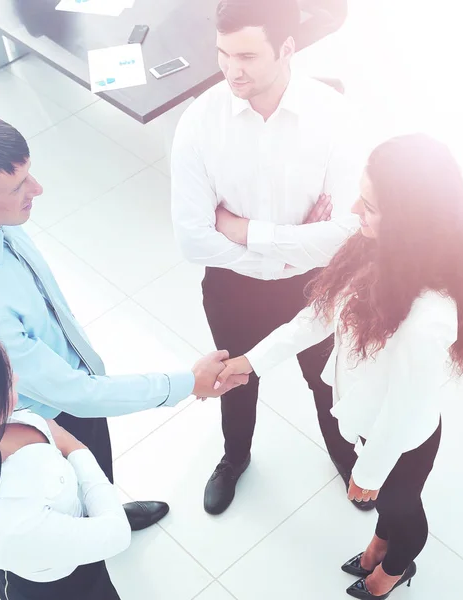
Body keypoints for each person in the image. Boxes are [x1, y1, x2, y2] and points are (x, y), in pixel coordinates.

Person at [0, 111, 247, 539]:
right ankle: (95, 529)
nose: (37, 190)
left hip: (67, 394)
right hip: (46, 420)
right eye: (18, 187)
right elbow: (76, 394)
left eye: (29, 175)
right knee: (70, 503)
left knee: (96, 477)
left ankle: (106, 508)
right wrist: (187, 382)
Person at [215, 134, 463, 598]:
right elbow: (317, 317)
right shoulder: (372, 247)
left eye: (370, 206)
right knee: (387, 506)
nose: (355, 211)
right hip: (367, 419)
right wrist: (251, 361)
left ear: (408, 222)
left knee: (403, 509)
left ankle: (393, 570)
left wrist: (369, 469)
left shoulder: (428, 317)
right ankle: (379, 546)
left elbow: (403, 411)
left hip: (399, 441)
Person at [171, 0, 366, 515]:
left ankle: (348, 456)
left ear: (287, 49)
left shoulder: (335, 116)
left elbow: (349, 234)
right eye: (223, 54)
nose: (232, 70)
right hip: (234, 286)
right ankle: (234, 458)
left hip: (314, 284)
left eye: (248, 56)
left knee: (326, 379)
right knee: (236, 376)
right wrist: (288, 247)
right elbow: (191, 239)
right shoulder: (198, 123)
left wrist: (243, 231)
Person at [0, 325, 130, 599]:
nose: (16, 378)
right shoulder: (2, 526)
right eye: (6, 380)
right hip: (57, 587)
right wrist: (77, 449)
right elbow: (116, 534)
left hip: (67, 546)